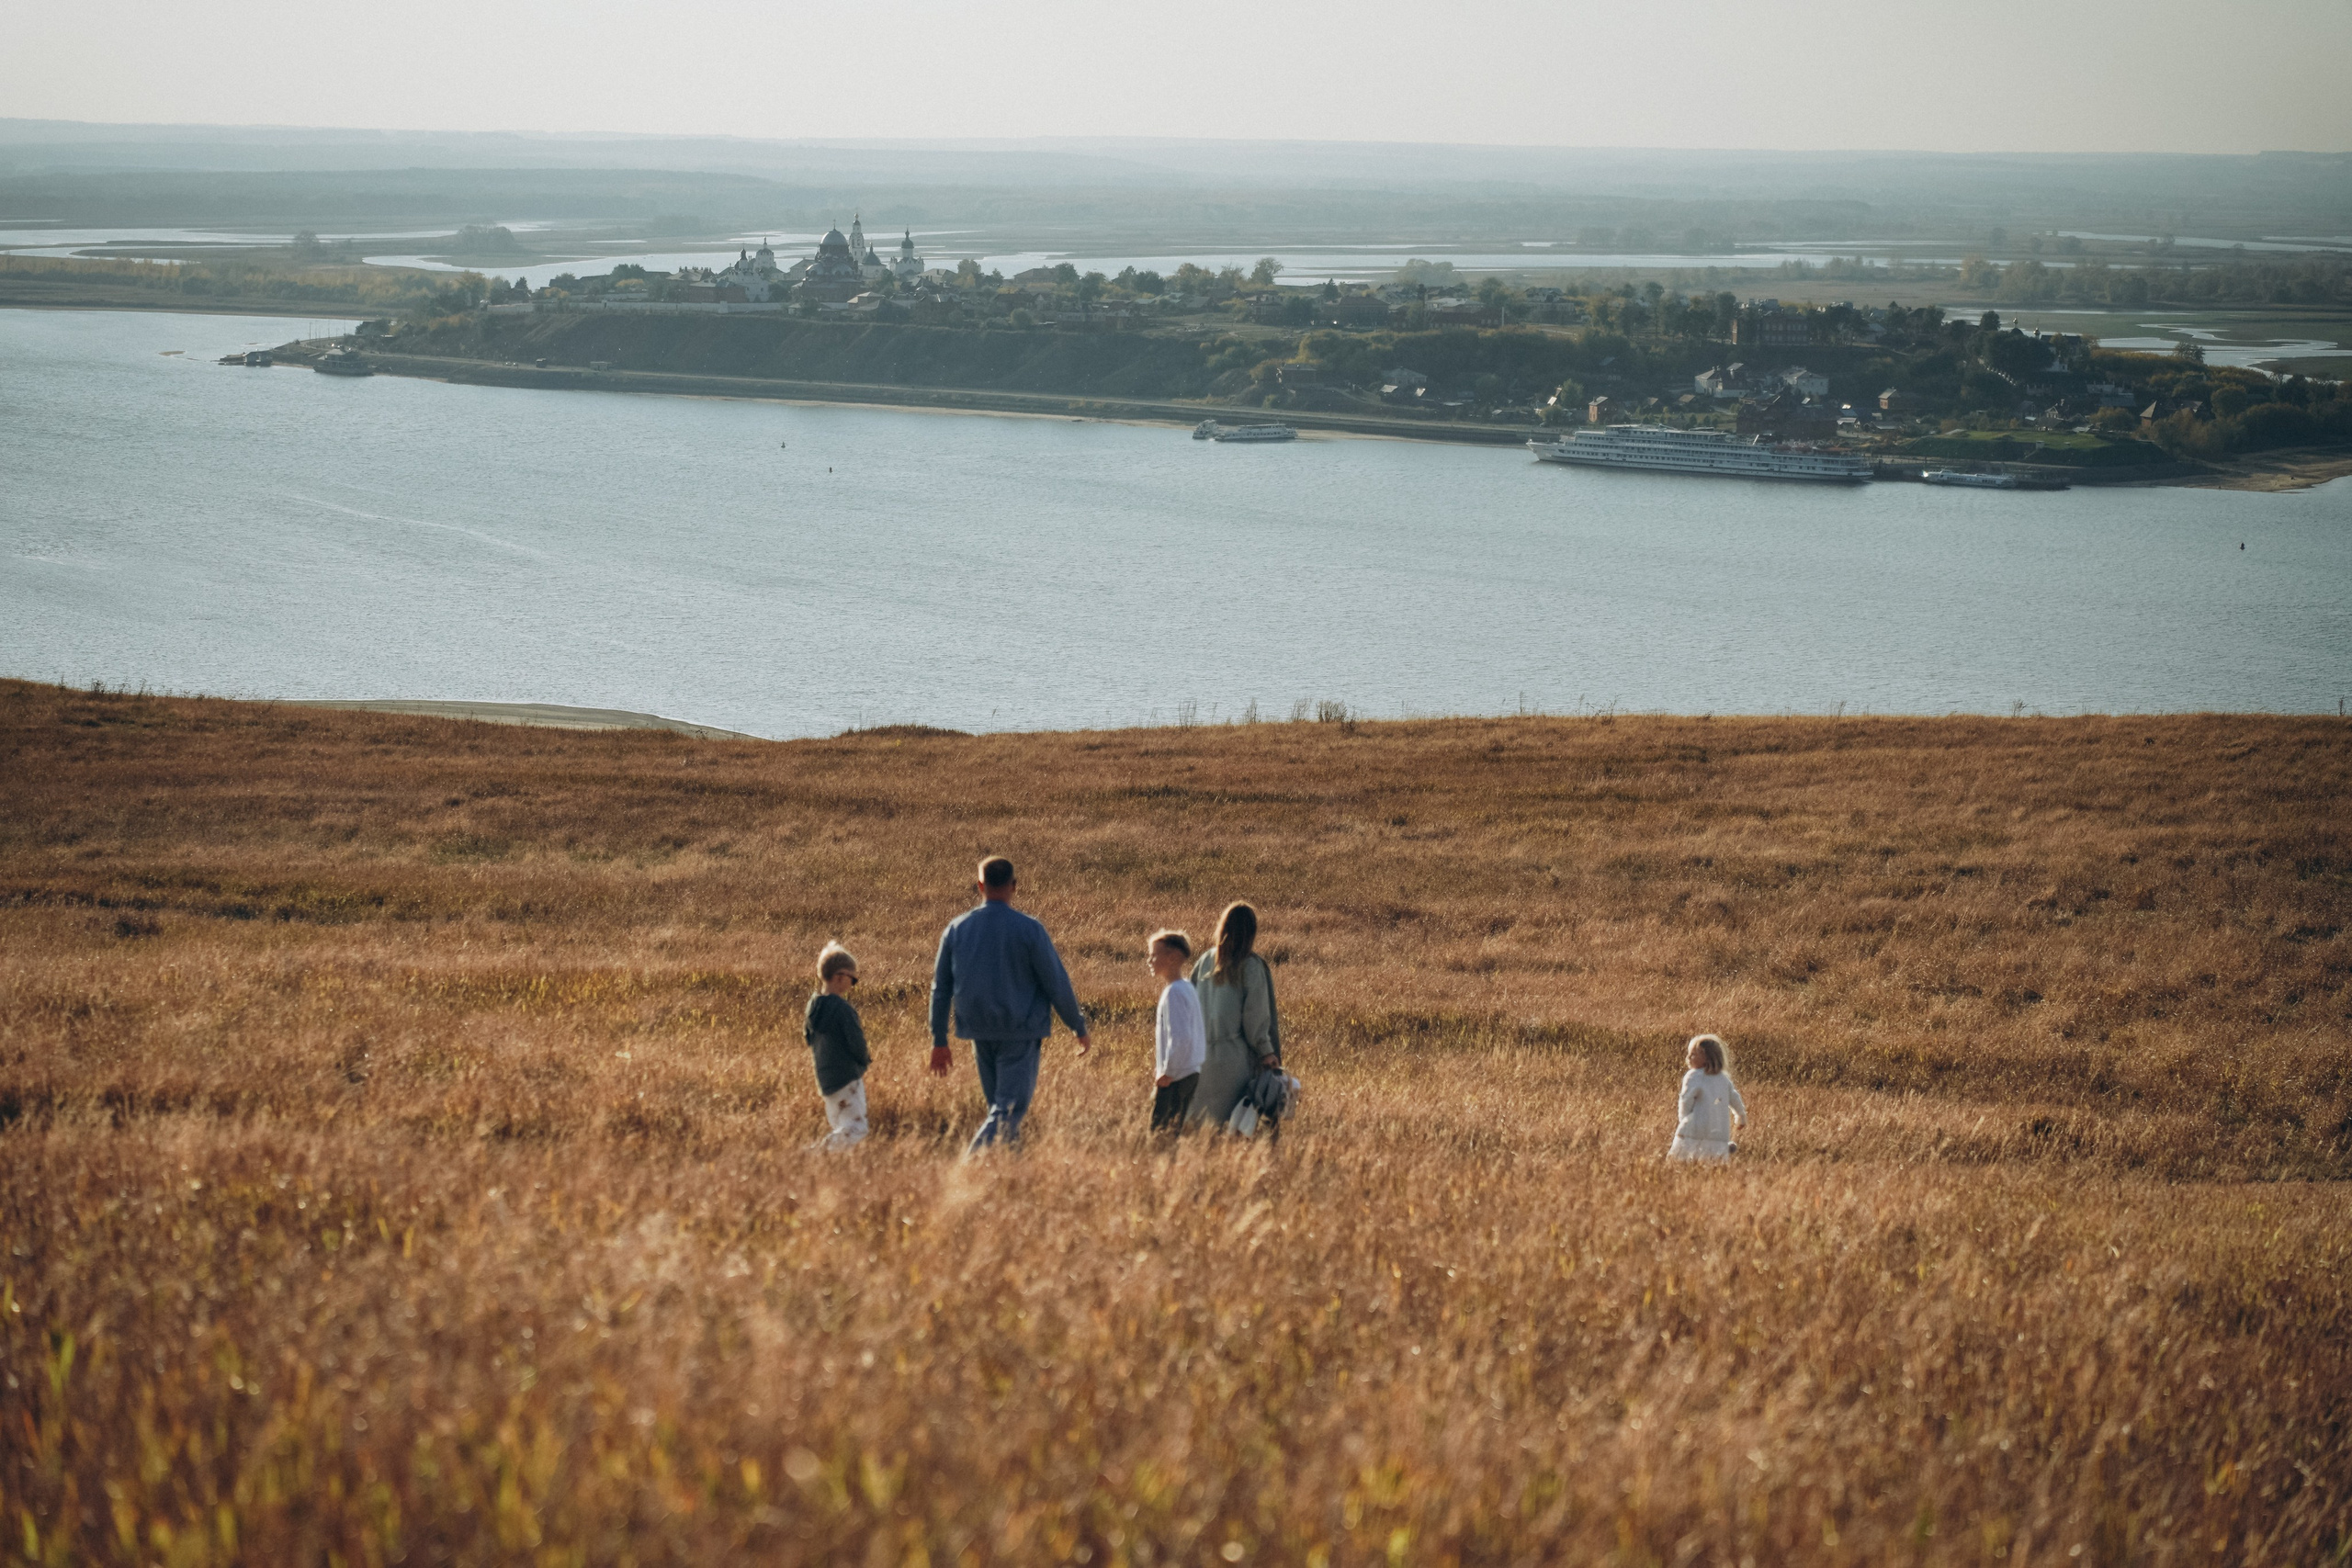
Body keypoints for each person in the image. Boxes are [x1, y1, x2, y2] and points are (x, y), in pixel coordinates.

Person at [928, 856, 1090, 1152]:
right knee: (1008, 1111)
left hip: (978, 1031)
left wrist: (939, 1040)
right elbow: (1055, 981)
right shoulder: (1029, 929)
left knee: (999, 1112)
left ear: (980, 885)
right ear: (1014, 886)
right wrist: (1077, 1024)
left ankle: (1006, 1178)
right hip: (1020, 1032)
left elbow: (940, 989)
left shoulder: (956, 929)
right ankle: (970, 1167)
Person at [1187, 901, 1281, 1131]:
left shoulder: (1204, 961)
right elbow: (1255, 1019)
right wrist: (1267, 1052)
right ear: (1251, 932)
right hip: (1234, 1061)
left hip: (1201, 1059)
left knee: (1201, 1129)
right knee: (1236, 1128)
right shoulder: (1251, 966)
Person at [803, 942, 872, 1150]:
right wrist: (864, 1060)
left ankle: (834, 1165)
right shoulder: (843, 1010)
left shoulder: (813, 1007)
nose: (854, 984)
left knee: (841, 1125)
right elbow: (856, 1042)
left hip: (825, 1079)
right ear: (840, 976)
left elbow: (808, 1039)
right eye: (854, 979)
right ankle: (818, 1153)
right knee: (857, 1128)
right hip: (847, 1077)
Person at [1147, 929, 1205, 1133]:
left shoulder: (1174, 993)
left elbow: (1180, 1039)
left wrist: (1167, 1072)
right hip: (1189, 1072)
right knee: (1174, 1129)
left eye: (1154, 955)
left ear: (1172, 958)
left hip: (1176, 1076)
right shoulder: (1187, 988)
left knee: (1160, 1132)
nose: (1149, 960)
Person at [1668, 1033, 1747, 1162]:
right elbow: (1734, 1098)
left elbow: (1685, 1101)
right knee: (1714, 1165)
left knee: (1683, 1163)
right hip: (1719, 1132)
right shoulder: (1723, 1079)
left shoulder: (1693, 1076)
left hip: (1694, 1131)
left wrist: (1684, 1120)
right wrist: (1741, 1116)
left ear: (1707, 1057)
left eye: (1693, 1054)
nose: (1688, 1058)